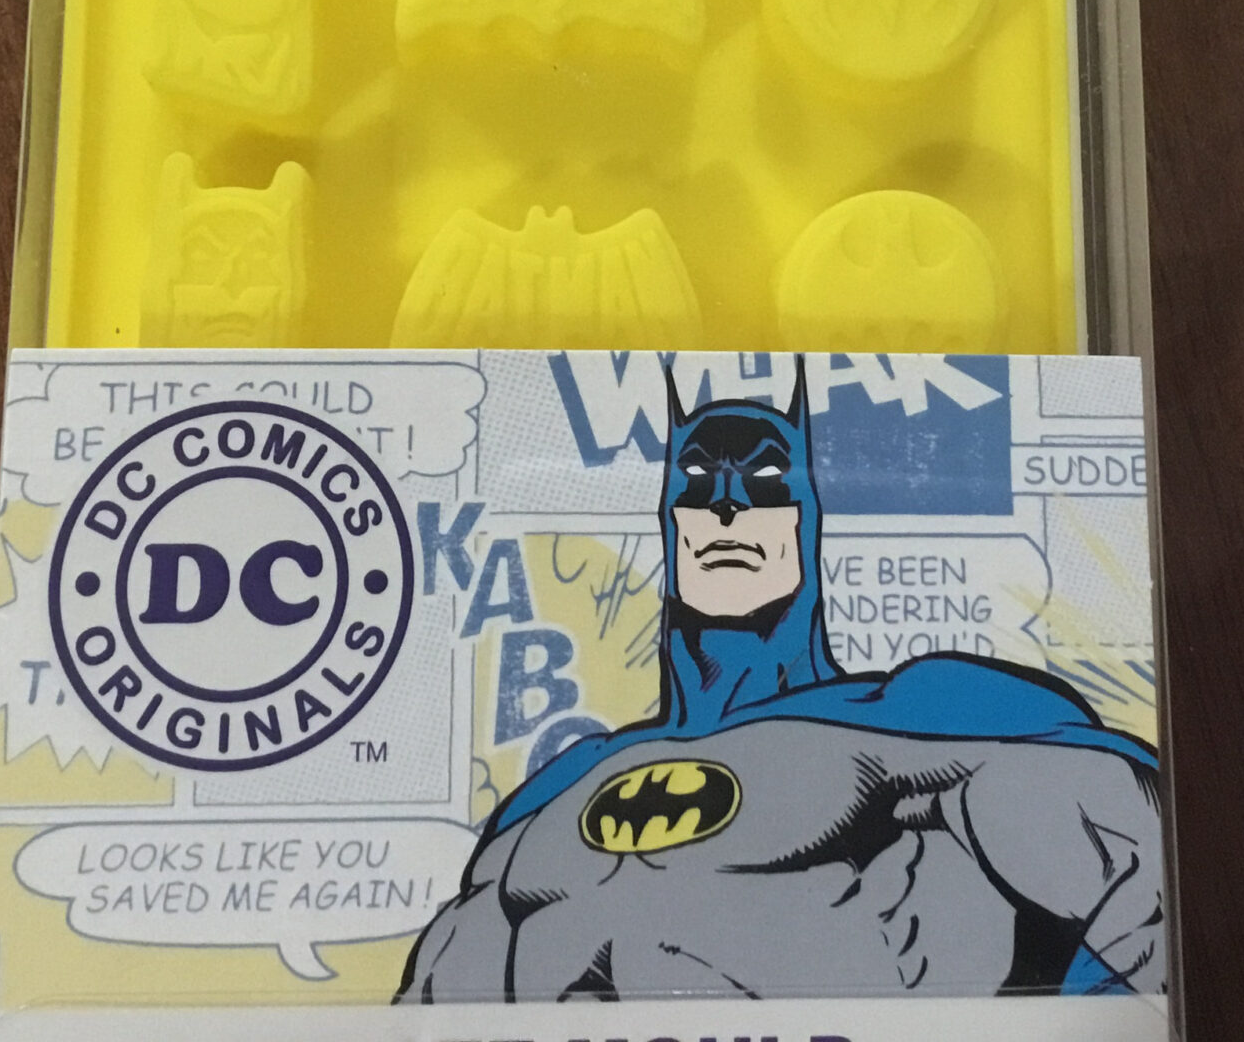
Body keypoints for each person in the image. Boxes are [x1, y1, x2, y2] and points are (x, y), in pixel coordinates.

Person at [398, 357, 1166, 1002]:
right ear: (669, 520)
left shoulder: (930, 711)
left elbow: (1144, 885)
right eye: (698, 481)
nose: (727, 505)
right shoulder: (555, 793)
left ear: (808, 515)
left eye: (765, 478)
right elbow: (434, 997)